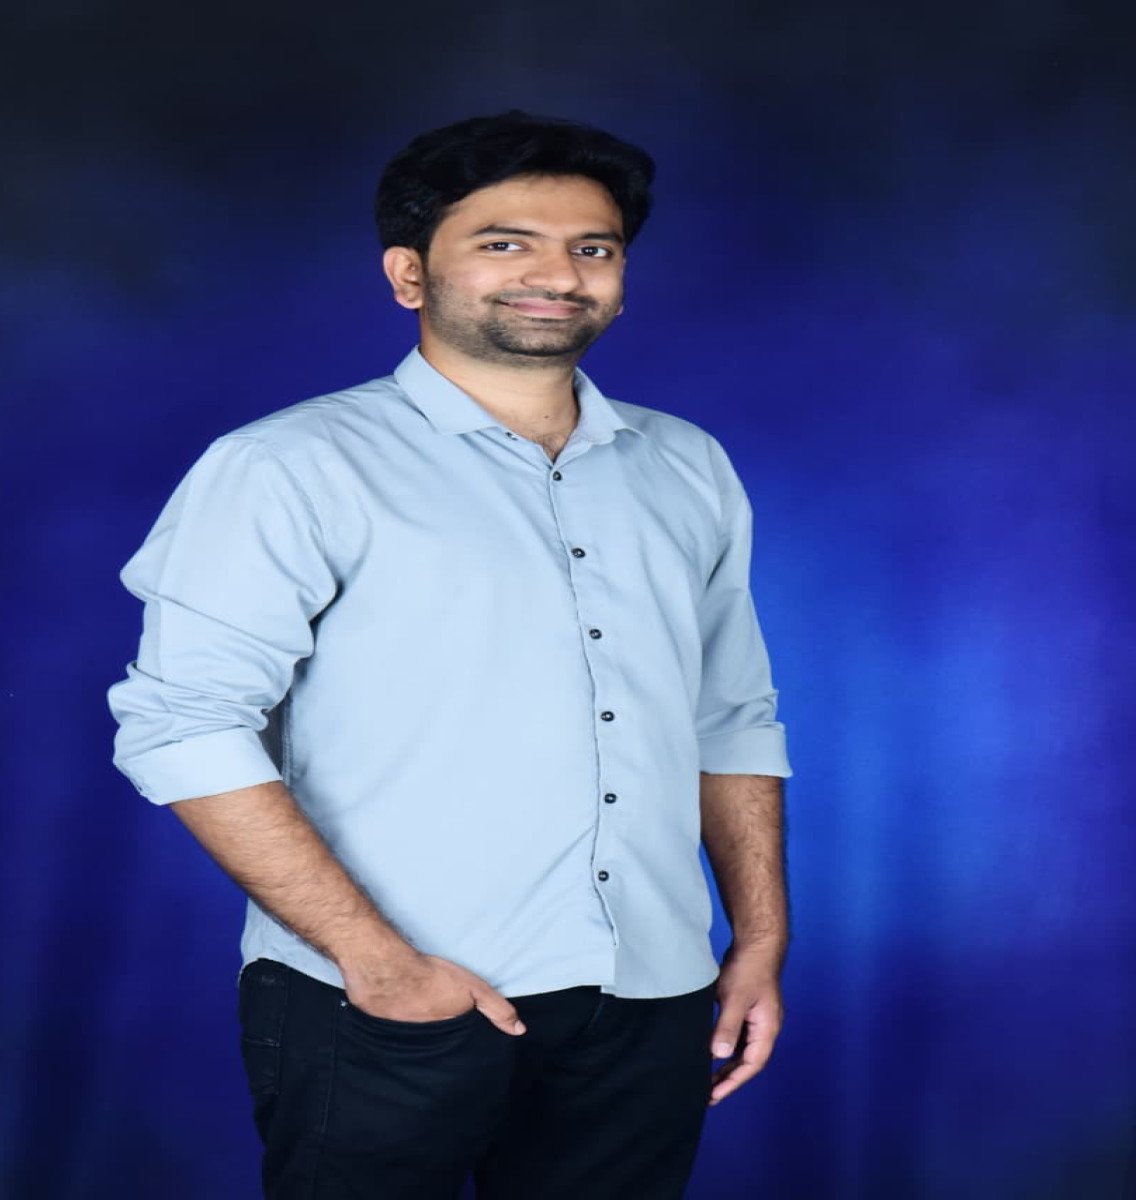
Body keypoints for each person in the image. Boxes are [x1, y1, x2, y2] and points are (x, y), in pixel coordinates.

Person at [107, 109, 792, 1200]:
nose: (556, 275)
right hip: (385, 1000)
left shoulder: (686, 465)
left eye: (593, 248)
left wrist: (758, 938)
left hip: (650, 998)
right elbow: (181, 725)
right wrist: (377, 962)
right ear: (408, 274)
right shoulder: (290, 466)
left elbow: (730, 715)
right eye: (505, 242)